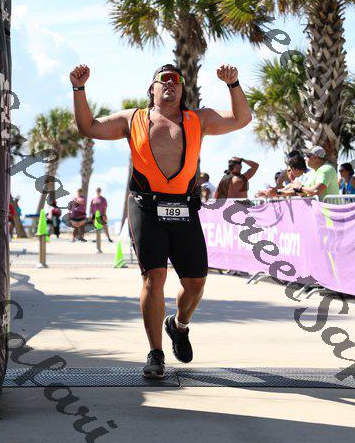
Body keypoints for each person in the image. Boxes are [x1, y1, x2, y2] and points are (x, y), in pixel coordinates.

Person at [70, 61, 252, 378]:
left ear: (182, 89)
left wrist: (233, 84)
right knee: (154, 278)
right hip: (146, 206)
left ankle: (178, 325)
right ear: (152, 89)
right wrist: (79, 88)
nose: (170, 83)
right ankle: (155, 353)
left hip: (184, 207)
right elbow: (89, 127)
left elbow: (241, 118)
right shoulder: (133, 119)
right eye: (163, 79)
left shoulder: (198, 119)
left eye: (176, 80)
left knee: (195, 283)